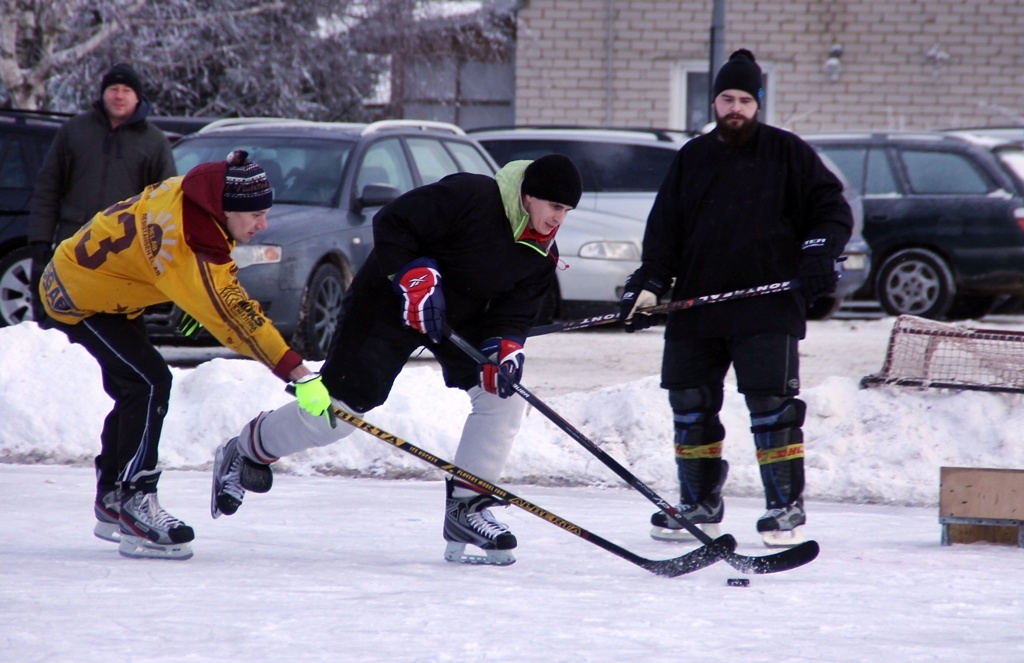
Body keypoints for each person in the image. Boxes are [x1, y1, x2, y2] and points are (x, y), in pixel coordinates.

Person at [210, 154, 584, 566]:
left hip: (453, 320)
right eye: (554, 207)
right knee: (335, 415)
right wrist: (415, 274)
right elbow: (394, 221)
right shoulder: (472, 196)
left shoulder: (540, 252)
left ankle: (468, 507)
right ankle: (247, 448)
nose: (558, 219)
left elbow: (513, 313)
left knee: (502, 396)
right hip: (388, 302)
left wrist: (505, 347)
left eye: (566, 211)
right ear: (528, 196)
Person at [619, 49, 853, 547]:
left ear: (759, 103)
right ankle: (699, 506)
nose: (735, 108)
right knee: (690, 403)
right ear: (714, 102)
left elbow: (831, 211)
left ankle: (785, 509)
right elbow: (664, 236)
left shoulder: (788, 153)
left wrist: (816, 254)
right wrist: (648, 286)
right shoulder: (692, 158)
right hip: (698, 306)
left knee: (772, 406)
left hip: (767, 305)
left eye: (745, 99)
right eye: (727, 98)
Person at [39, 150, 322, 560]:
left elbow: (160, 259)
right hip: (80, 296)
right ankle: (136, 501)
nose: (264, 224)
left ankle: (112, 499)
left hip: (96, 283)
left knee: (135, 388)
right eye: (255, 214)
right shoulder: (193, 242)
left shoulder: (191, 192)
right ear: (227, 209)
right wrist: (297, 372)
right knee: (151, 382)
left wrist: (190, 297)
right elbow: (239, 318)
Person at [29, 62, 176, 323]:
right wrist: (40, 242)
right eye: (113, 89)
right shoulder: (74, 131)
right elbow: (48, 189)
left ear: (137, 97)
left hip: (122, 254)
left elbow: (166, 204)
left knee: (115, 331)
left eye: (126, 90)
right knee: (62, 332)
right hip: (71, 247)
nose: (119, 96)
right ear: (103, 93)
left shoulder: (153, 141)